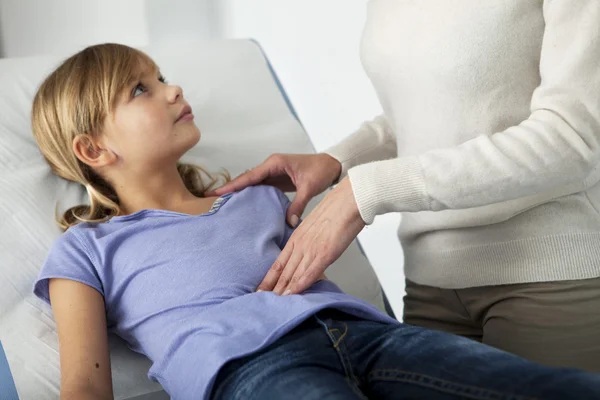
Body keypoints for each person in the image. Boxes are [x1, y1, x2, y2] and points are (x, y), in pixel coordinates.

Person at [30, 43, 600, 400]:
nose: (173, 89)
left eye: (161, 77)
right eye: (141, 89)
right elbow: (84, 383)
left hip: (374, 338)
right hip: (249, 371)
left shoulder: (256, 198)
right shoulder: (88, 248)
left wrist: (339, 175)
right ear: (94, 149)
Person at [211, 0, 600, 372]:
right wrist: (338, 162)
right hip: (429, 287)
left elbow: (571, 136)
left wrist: (367, 190)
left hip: (548, 278)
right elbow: (429, 113)